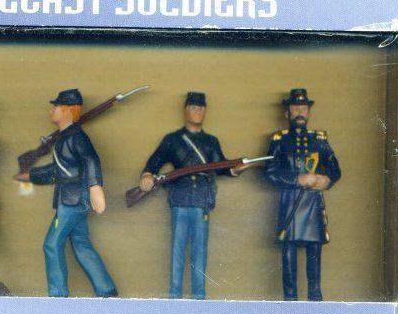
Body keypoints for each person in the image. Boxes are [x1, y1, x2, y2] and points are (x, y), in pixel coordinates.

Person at [139, 92, 247, 299]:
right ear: (185, 110)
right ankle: (174, 297)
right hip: (180, 198)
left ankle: (199, 298)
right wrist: (146, 175)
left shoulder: (211, 141)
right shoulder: (173, 140)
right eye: (194, 107)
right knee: (177, 251)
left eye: (201, 107)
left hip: (201, 200)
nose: (198, 111)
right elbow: (154, 162)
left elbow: (221, 165)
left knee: (200, 252)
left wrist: (235, 169)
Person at [21, 89, 117, 298]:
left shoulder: (76, 137)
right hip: (72, 197)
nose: (52, 110)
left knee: (51, 244)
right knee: (81, 245)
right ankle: (106, 290)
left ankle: (58, 296)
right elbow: (59, 170)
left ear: (69, 110)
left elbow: (91, 159)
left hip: (73, 200)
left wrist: (95, 187)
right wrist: (31, 175)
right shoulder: (65, 138)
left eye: (56, 106)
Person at [265, 88, 341, 301]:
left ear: (308, 112)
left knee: (314, 260)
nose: (300, 112)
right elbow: (269, 172)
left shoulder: (319, 140)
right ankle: (290, 303)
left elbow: (335, 169)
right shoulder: (280, 140)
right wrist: (297, 179)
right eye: (295, 108)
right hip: (290, 204)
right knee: (288, 257)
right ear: (287, 112)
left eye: (304, 108)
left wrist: (327, 180)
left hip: (313, 204)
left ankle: (315, 304)